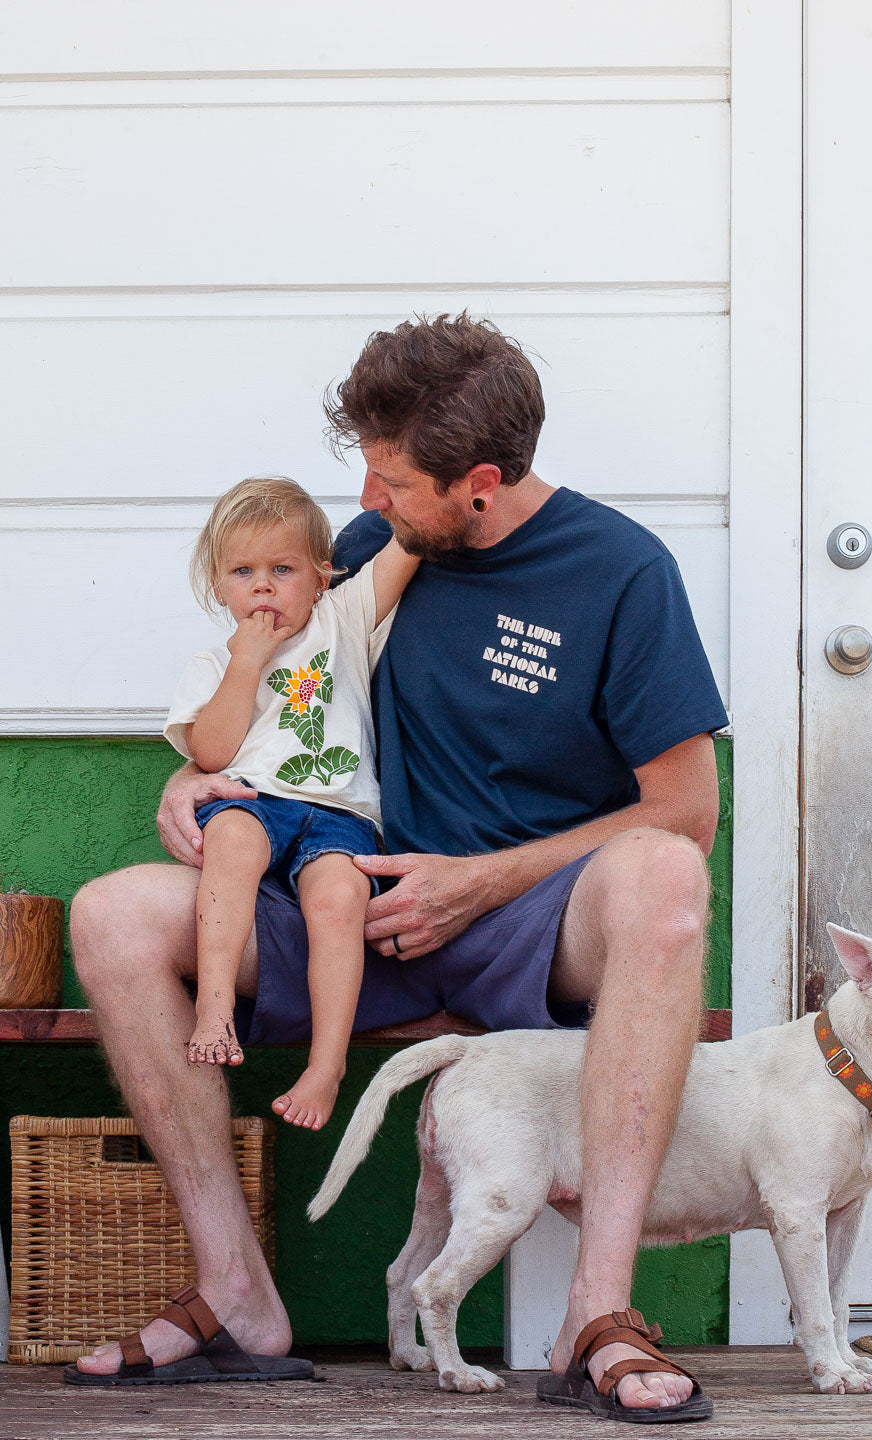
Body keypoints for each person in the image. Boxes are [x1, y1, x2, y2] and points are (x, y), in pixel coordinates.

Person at [68, 314, 728, 1418]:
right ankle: (240, 1299)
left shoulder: (621, 572)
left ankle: (596, 1315)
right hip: (347, 899)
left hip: (527, 922)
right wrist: (191, 782)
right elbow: (263, 707)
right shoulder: (376, 553)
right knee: (112, 914)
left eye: (392, 483)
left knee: (665, 879)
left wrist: (483, 880)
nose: (366, 504)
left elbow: (686, 811)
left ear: (478, 482)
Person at [164, 476, 418, 1129]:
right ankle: (215, 1006)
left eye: (284, 569)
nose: (264, 587)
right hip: (254, 801)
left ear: (321, 575)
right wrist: (246, 664)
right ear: (220, 585)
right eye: (243, 572)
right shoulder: (211, 662)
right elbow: (214, 753)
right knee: (230, 839)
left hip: (341, 815)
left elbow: (409, 544)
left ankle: (326, 1064)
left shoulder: (346, 616)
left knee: (339, 901)